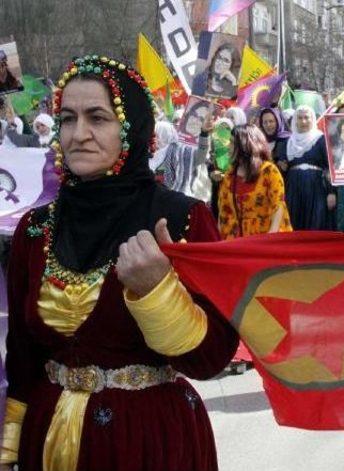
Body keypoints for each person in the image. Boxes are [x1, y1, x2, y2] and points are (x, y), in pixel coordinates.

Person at [0, 55, 239, 470]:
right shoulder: (36, 229)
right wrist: (9, 445)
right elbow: (22, 352)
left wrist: (159, 291)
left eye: (98, 118)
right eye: (68, 118)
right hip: (48, 436)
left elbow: (212, 357)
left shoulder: (182, 219)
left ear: (132, 128)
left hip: (149, 441)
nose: (79, 134)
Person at [217, 124, 292, 240]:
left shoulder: (269, 171)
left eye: (232, 143)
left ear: (244, 145)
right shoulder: (229, 175)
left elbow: (278, 206)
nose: (228, 147)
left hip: (264, 241)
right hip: (235, 243)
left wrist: (270, 238)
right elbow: (224, 213)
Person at [281, 105, 335, 230]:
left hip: (317, 188)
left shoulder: (322, 140)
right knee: (294, 222)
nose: (303, 121)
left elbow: (330, 167)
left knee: (316, 221)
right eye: (300, 118)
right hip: (293, 188)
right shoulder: (288, 142)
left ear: (313, 119)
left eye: (307, 117)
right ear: (295, 121)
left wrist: (331, 192)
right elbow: (282, 167)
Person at [150, 120, 212, 202]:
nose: (155, 139)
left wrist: (204, 134)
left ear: (165, 135)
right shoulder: (152, 156)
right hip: (159, 202)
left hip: (181, 202)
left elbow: (201, 156)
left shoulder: (181, 152)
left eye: (157, 135)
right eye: (153, 136)